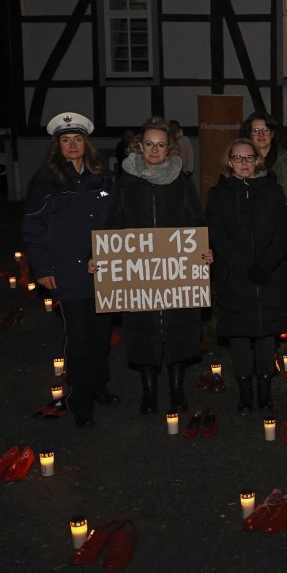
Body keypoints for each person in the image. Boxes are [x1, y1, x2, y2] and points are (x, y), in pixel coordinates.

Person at [103, 117, 213, 417]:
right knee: (143, 332)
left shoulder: (181, 181)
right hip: (139, 274)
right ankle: (149, 393)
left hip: (176, 271)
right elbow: (112, 224)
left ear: (170, 148)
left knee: (178, 331)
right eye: (149, 144)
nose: (154, 150)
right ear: (139, 146)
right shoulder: (124, 181)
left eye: (161, 145)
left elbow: (196, 221)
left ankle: (177, 391)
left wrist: (203, 251)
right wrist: (100, 256)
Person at [23, 112, 118, 429]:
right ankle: (80, 402)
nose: (73, 145)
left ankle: (99, 386)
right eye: (66, 140)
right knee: (79, 339)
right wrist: (43, 267)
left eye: (78, 139)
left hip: (104, 271)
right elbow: (33, 229)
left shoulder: (103, 177)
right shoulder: (44, 181)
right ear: (57, 145)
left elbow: (116, 222)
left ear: (86, 143)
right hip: (68, 272)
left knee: (102, 336)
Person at [206, 138, 287, 413]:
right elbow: (217, 236)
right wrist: (245, 267)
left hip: (269, 277)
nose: (243, 163)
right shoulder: (217, 195)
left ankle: (265, 394)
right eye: (237, 158)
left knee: (267, 337)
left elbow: (285, 231)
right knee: (240, 338)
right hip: (235, 277)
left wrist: (265, 265)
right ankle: (245, 395)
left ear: (258, 159)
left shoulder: (274, 190)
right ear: (229, 162)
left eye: (248, 158)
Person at [241, 112, 287, 267]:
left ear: (272, 133)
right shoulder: (239, 161)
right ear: (249, 134)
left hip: (279, 240)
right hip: (247, 240)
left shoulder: (286, 162)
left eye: (265, 130)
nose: (261, 134)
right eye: (256, 130)